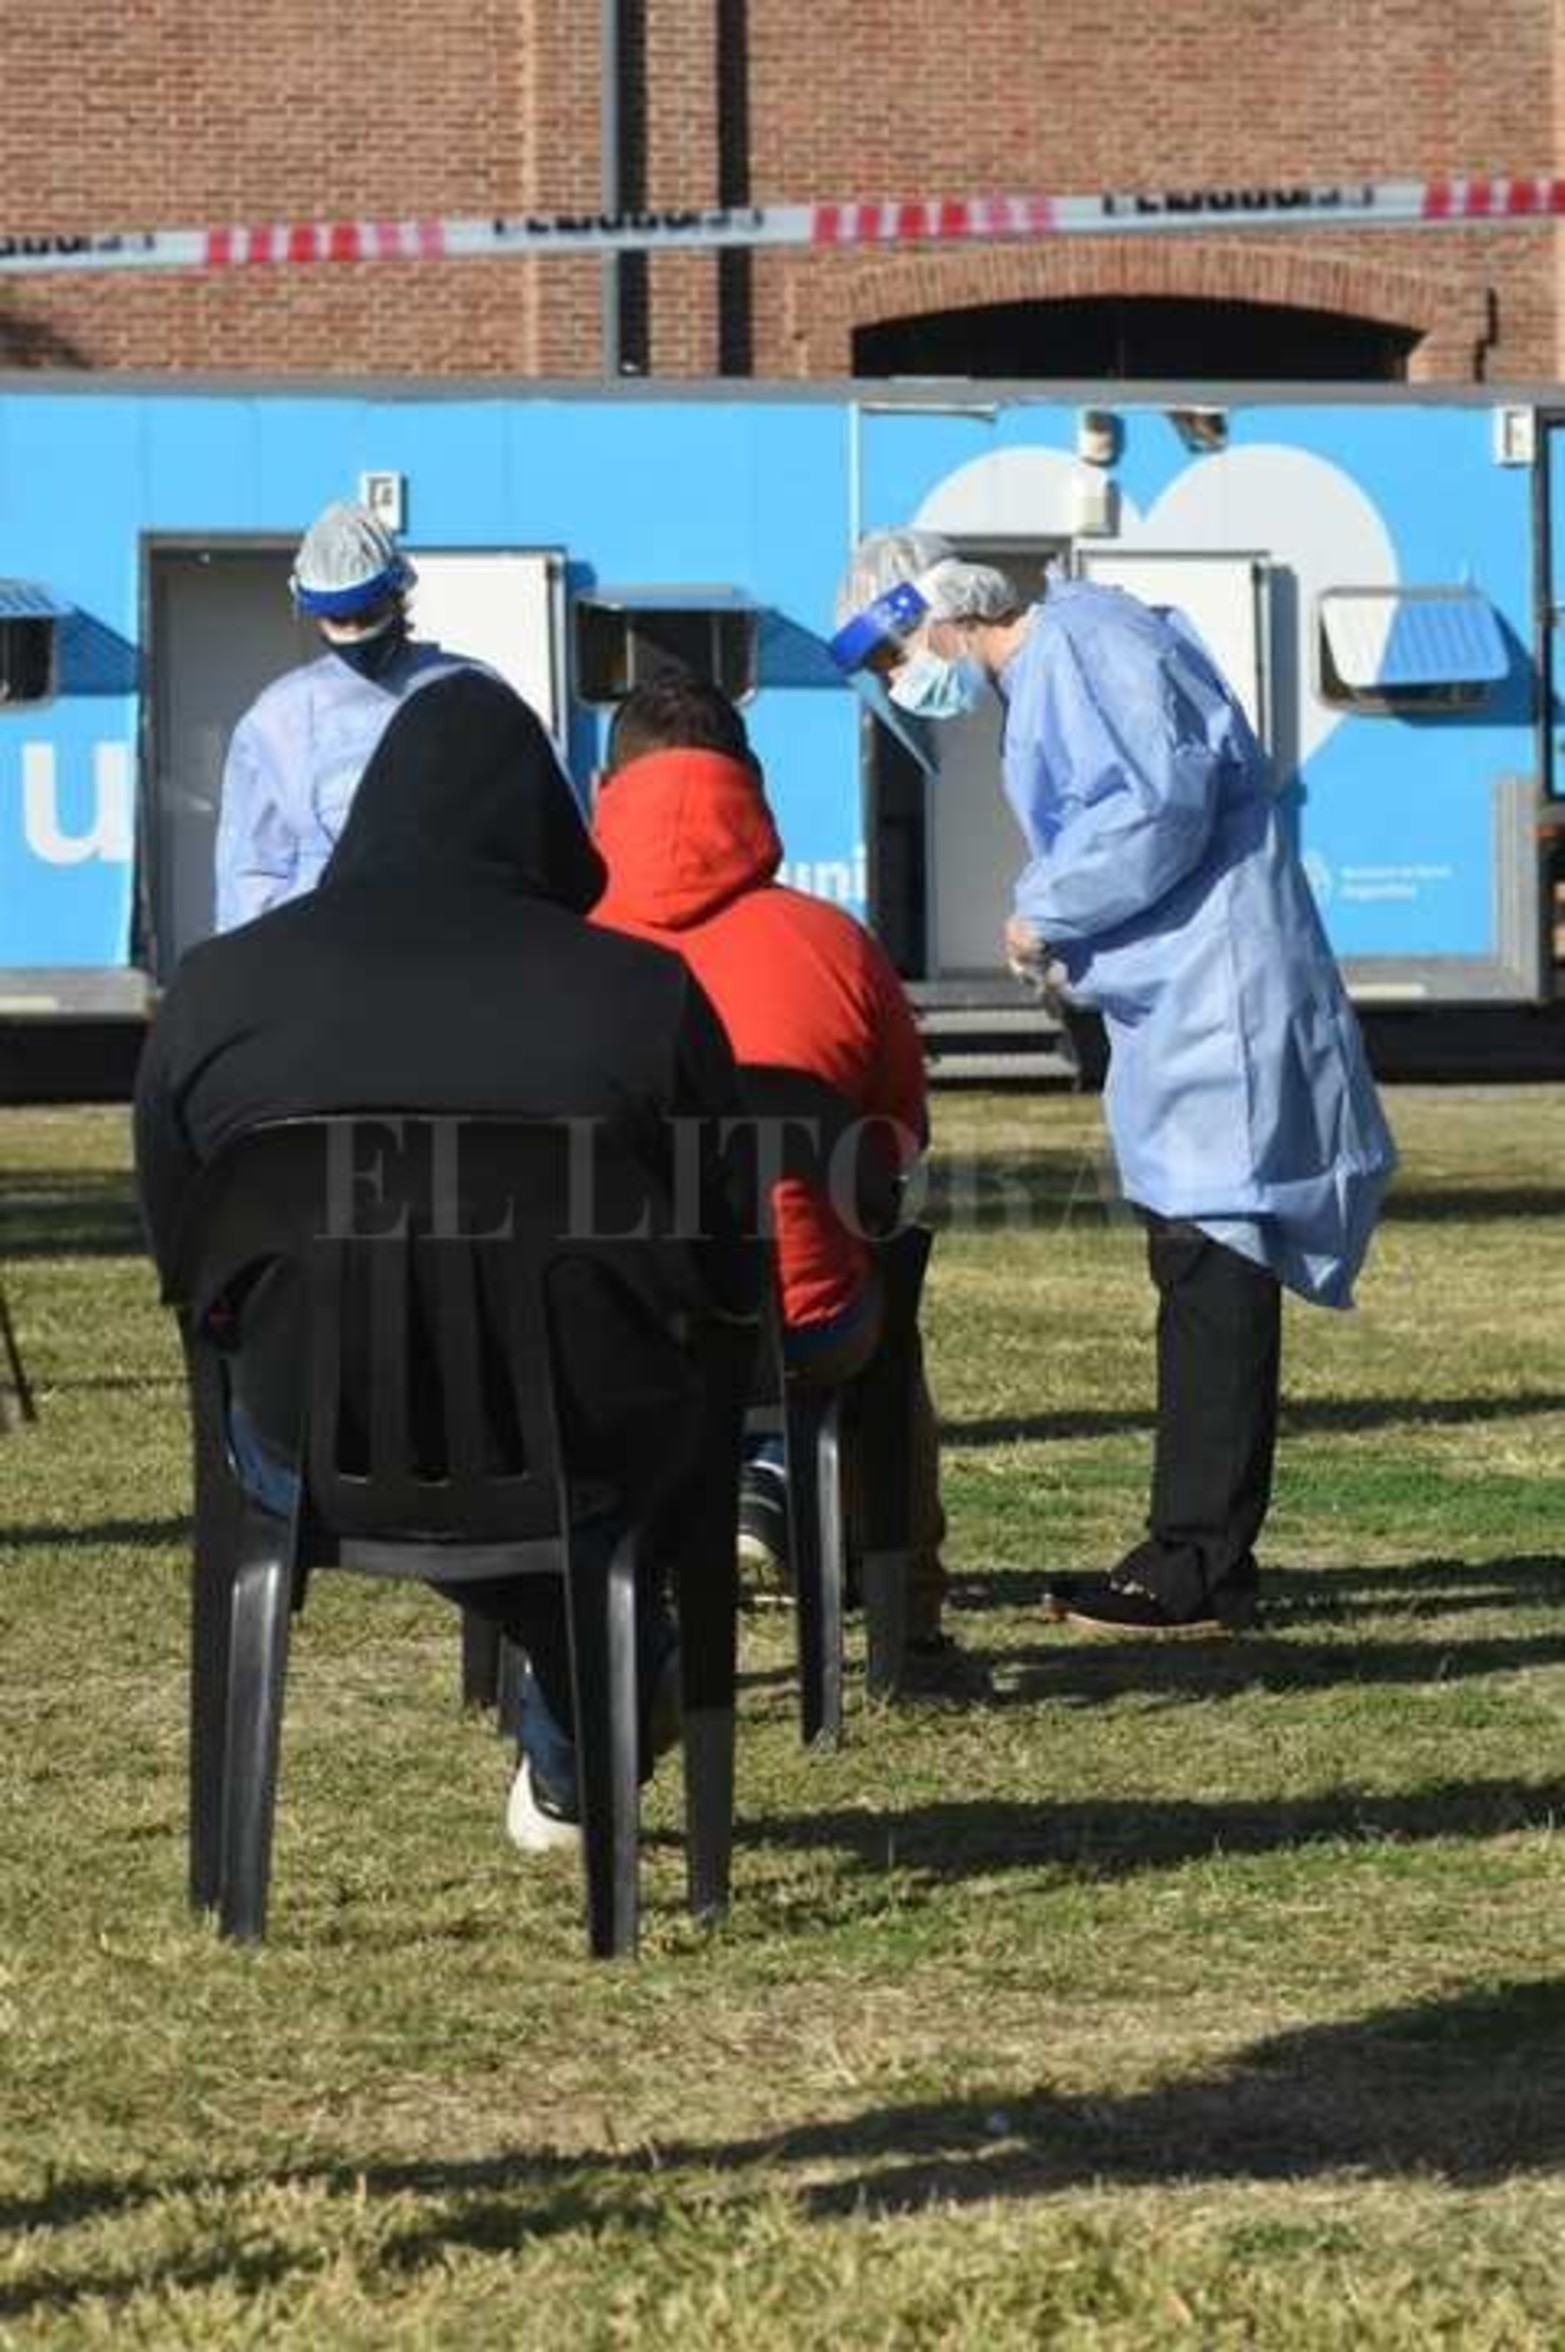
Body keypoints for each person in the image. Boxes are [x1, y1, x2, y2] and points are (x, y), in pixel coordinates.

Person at [138, 669, 759, 1850]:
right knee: (630, 1439)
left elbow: (183, 1254)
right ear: (545, 822)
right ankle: (602, 1701)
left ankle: (590, 1713)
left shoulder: (217, 992)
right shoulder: (642, 996)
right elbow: (726, 1265)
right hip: (588, 1438)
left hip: (305, 1438)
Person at [831, 529, 1397, 1637]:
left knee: (1212, 1263)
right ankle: (1194, 1554)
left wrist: (1049, 908)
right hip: (1183, 1006)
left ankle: (1192, 1564)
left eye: (893, 657)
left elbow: (1155, 807)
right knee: (1197, 1260)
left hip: (1215, 1005)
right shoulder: (1054, 668)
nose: (903, 683)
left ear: (933, 612)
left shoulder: (1084, 644)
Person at [590, 672, 970, 1688]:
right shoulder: (834, 946)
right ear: (751, 790)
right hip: (797, 1334)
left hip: (605, 1334)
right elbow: (891, 1147)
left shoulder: (559, 955)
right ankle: (910, 1615)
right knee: (891, 1289)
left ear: (603, 789)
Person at [213, 499, 472, 932]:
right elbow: (250, 874)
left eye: (367, 615)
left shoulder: (472, 693)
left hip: (446, 939)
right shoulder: (278, 720)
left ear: (399, 593)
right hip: (321, 951)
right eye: (339, 619)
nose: (356, 634)